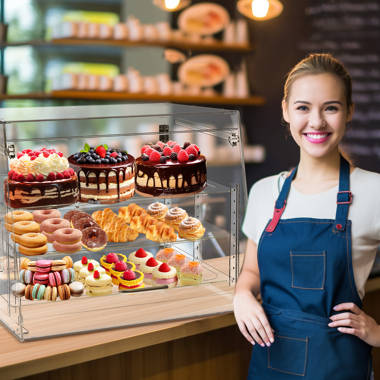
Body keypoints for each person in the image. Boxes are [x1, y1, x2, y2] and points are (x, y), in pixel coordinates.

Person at [233, 53, 380, 379]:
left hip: (340, 369)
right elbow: (251, 271)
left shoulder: (374, 191)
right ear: (286, 110)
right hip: (270, 367)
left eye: (331, 107)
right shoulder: (264, 192)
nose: (316, 122)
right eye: (303, 107)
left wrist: (378, 332)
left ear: (349, 112)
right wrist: (242, 295)